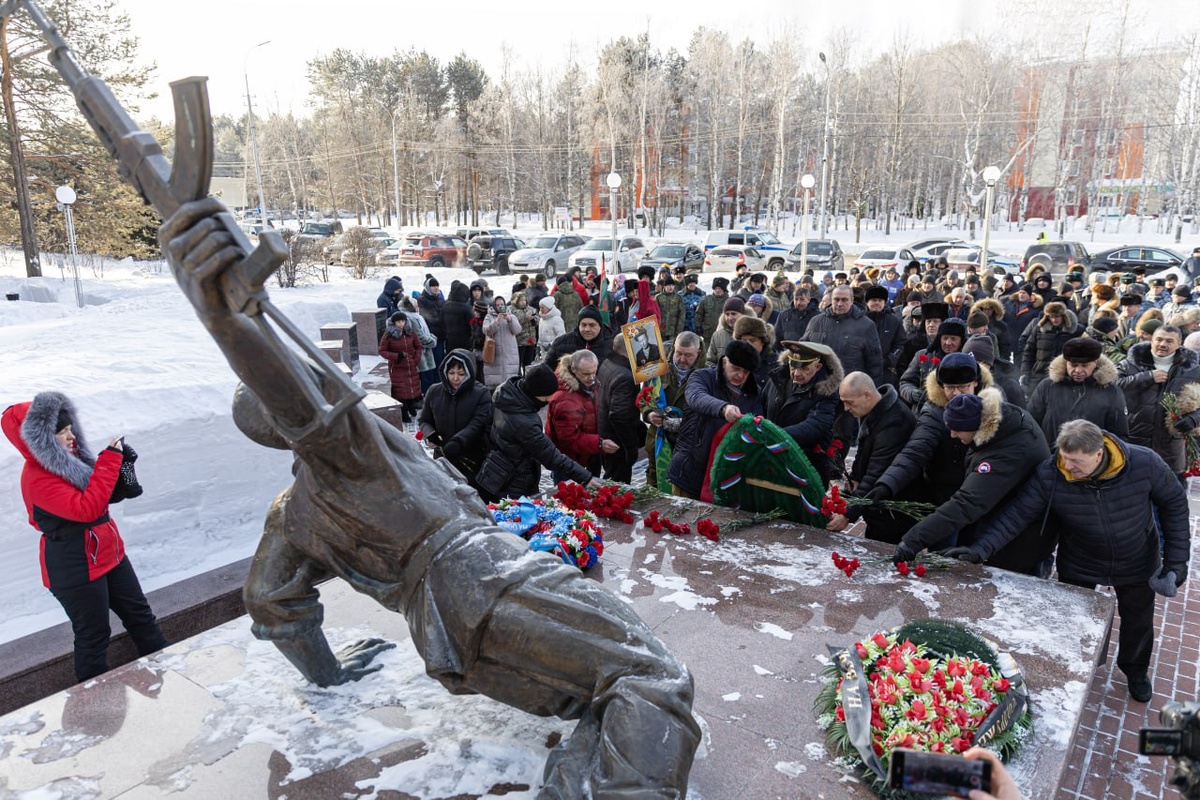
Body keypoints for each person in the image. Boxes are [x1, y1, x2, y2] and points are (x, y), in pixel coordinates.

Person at [159, 200, 699, 798]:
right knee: (654, 677)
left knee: (611, 682)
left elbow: (268, 599)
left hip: (451, 616)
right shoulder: (347, 451)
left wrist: (329, 673)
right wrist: (223, 311)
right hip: (483, 580)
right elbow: (294, 401)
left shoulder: (294, 511)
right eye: (304, 388)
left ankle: (584, 773)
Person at [950, 420, 1189, 703]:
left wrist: (1176, 562)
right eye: (1064, 458)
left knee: (1138, 621)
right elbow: (1017, 515)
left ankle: (1134, 670)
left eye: (1076, 462)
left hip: (1136, 559)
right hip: (1080, 560)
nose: (1068, 467)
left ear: (1099, 454)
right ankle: (1085, 667)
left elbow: (1174, 503)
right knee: (1076, 623)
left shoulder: (1144, 462)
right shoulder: (1052, 473)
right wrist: (981, 549)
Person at [2, 392, 169, 682]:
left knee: (140, 615)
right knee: (94, 635)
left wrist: (122, 470)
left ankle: (172, 669)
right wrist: (110, 460)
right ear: (40, 438)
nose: (71, 438)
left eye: (70, 430)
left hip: (109, 553)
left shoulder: (71, 460)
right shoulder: (37, 477)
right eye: (62, 432)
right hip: (75, 567)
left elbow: (101, 497)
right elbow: (87, 509)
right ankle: (93, 707)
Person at [893, 389, 1051, 575]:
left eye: (957, 429)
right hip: (1001, 526)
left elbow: (967, 503)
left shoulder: (1006, 454)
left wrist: (913, 541)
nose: (952, 435)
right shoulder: (999, 423)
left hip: (1017, 541)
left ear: (975, 425)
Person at [870, 352, 994, 513]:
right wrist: (887, 483)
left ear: (975, 383)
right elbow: (915, 451)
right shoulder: (935, 412)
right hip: (944, 494)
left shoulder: (992, 405)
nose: (956, 393)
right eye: (950, 387)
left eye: (963, 387)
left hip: (981, 492)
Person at [825, 373, 917, 543]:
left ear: (867, 395)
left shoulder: (895, 422)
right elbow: (864, 451)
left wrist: (848, 513)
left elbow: (876, 473)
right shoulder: (874, 409)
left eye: (849, 402)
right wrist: (854, 480)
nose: (845, 408)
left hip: (895, 509)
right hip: (878, 506)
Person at [667, 340, 762, 499]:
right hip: (690, 469)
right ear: (724, 362)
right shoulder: (702, 376)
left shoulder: (754, 392)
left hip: (725, 476)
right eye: (735, 368)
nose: (740, 375)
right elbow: (696, 397)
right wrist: (723, 408)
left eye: (746, 372)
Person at [1116, 324, 1200, 482]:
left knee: (1168, 500)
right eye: (1159, 339)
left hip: (1170, 448)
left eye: (1169, 341)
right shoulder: (1130, 364)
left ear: (1179, 344)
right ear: (1151, 341)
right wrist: (1146, 377)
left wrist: (1193, 419)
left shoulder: (1192, 370)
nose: (1162, 344)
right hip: (1134, 441)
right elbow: (1112, 386)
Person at [762, 341, 844, 483]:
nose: (797, 373)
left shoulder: (827, 390)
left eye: (805, 368)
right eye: (793, 366)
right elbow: (762, 406)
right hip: (773, 459)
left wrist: (778, 436)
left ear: (818, 367)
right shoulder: (778, 378)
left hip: (806, 465)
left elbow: (817, 424)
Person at [1026, 337, 1128, 443]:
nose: (1078, 370)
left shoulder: (1110, 391)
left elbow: (1119, 433)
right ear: (1066, 363)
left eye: (1085, 365)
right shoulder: (1048, 386)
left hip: (1091, 456)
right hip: (1051, 454)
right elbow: (1031, 423)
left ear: (1095, 363)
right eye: (1073, 365)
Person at [418, 349, 493, 487]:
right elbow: (424, 420)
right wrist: (430, 434)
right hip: (443, 458)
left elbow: (478, 423)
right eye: (451, 373)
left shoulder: (481, 393)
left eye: (461, 374)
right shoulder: (434, 391)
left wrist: (458, 442)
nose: (455, 378)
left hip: (471, 459)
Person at [639, 332, 703, 491]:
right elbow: (643, 398)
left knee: (682, 485)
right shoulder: (657, 369)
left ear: (698, 353)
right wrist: (649, 413)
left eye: (688, 355)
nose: (682, 359)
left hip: (687, 442)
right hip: (658, 438)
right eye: (679, 353)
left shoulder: (705, 374)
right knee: (654, 481)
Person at [546, 350, 617, 480]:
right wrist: (599, 444)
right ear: (573, 369)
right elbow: (568, 439)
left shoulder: (588, 384)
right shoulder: (565, 398)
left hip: (588, 454)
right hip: (569, 461)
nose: (591, 378)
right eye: (586, 374)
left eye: (594, 373)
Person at [802, 285, 884, 384]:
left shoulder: (866, 325)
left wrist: (872, 388)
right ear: (831, 300)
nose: (840, 304)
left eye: (844, 300)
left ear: (852, 300)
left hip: (850, 385)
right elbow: (803, 349)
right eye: (836, 299)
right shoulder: (816, 321)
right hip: (819, 384)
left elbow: (875, 362)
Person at [597, 345, 646, 483]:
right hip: (616, 441)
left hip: (605, 432)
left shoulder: (608, 362)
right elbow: (620, 416)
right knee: (617, 484)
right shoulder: (625, 377)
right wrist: (630, 447)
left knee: (611, 478)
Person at [899, 317, 967, 412]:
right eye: (945, 338)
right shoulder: (923, 355)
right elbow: (905, 382)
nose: (948, 343)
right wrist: (912, 393)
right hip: (924, 413)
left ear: (962, 341)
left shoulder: (969, 360)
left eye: (953, 339)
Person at [1018, 301, 1083, 394]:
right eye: (1051, 317)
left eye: (1057, 316)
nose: (1054, 320)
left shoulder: (1075, 331)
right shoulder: (1039, 329)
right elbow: (1029, 351)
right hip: (1039, 373)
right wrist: (1025, 372)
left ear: (1063, 316)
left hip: (1064, 375)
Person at [379, 311, 424, 422]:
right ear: (394, 323)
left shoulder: (410, 332)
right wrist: (396, 356)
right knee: (401, 390)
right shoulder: (388, 335)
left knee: (412, 387)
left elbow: (418, 346)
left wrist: (416, 359)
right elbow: (382, 351)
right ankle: (404, 412)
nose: (401, 324)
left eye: (403, 321)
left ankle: (411, 407)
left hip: (410, 365)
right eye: (398, 322)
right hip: (397, 367)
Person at [543, 306, 614, 369]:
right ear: (578, 325)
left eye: (592, 325)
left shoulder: (612, 346)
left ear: (600, 326)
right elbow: (546, 370)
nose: (587, 329)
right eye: (583, 325)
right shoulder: (560, 343)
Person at [864, 285, 905, 386]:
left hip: (886, 370)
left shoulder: (894, 320)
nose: (877, 303)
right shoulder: (859, 320)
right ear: (867, 302)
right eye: (873, 300)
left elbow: (901, 343)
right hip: (862, 369)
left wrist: (890, 359)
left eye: (880, 300)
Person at [705, 296, 745, 364]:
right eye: (727, 314)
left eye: (733, 314)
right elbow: (710, 360)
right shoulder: (717, 336)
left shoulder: (751, 334)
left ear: (742, 314)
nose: (730, 318)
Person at [510, 292, 539, 371]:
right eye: (521, 300)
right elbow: (513, 324)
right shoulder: (511, 310)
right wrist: (525, 320)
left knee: (529, 364)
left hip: (530, 341)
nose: (523, 302)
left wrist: (534, 319)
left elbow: (538, 320)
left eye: (524, 300)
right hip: (519, 341)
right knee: (518, 364)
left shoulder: (531, 309)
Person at [656, 274, 684, 345]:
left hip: (673, 330)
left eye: (672, 285)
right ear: (664, 286)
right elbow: (655, 313)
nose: (670, 287)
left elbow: (682, 314)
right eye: (668, 285)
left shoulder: (678, 298)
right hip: (661, 330)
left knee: (672, 349)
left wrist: (679, 330)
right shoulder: (658, 297)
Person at [536, 295, 565, 361]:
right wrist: (538, 345)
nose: (541, 310)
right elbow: (540, 334)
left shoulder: (556, 319)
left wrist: (551, 345)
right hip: (543, 351)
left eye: (543, 308)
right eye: (540, 307)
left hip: (554, 350)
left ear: (549, 307)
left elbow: (561, 334)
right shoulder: (542, 319)